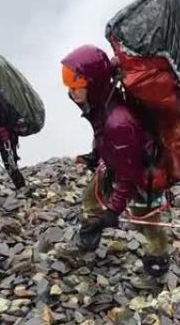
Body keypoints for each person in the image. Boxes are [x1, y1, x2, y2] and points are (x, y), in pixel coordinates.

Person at [61, 45, 171, 277]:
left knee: (147, 223)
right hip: (116, 161)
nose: (72, 93)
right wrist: (96, 154)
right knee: (90, 197)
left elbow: (128, 176)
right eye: (70, 88)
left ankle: (157, 265)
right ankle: (88, 240)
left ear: (93, 83)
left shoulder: (119, 122)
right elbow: (102, 134)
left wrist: (113, 211)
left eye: (77, 87)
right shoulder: (102, 101)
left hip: (143, 175)